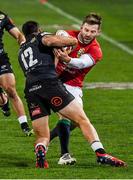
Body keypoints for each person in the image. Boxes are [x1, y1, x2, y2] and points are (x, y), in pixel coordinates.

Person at [18, 20, 126, 168]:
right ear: (39, 30)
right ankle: (101, 153)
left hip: (31, 90)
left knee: (42, 136)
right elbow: (52, 40)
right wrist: (72, 41)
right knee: (82, 120)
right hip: (50, 84)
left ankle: (41, 150)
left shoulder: (21, 50)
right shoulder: (42, 37)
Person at [50, 13, 126, 167]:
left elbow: (81, 63)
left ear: (98, 33)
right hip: (54, 82)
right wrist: (61, 39)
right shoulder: (70, 35)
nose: (88, 34)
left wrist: (68, 59)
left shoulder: (96, 50)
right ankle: (69, 155)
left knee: (76, 122)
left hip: (74, 85)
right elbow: (58, 34)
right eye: (86, 30)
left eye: (92, 31)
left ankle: (45, 140)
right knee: (70, 117)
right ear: (81, 28)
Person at [0, 11, 33, 136]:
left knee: (10, 89)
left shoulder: (2, 17)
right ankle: (4, 103)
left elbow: (17, 34)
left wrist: (23, 43)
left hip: (1, 58)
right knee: (2, 100)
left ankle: (24, 125)